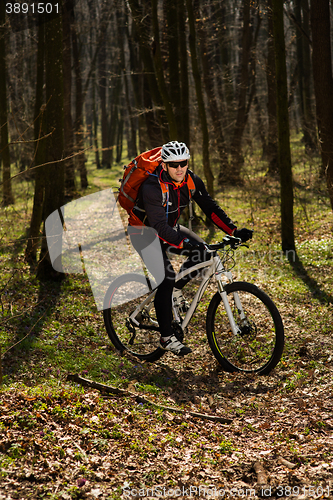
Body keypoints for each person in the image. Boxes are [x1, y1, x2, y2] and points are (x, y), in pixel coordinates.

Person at [127, 141, 253, 357]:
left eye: (183, 163)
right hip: (144, 233)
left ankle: (176, 290)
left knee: (205, 252)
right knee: (166, 278)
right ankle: (166, 338)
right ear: (164, 165)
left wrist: (233, 230)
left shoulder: (191, 180)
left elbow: (210, 208)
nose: (179, 168)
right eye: (174, 164)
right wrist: (183, 243)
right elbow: (158, 226)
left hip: (170, 228)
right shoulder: (151, 187)